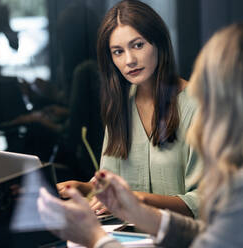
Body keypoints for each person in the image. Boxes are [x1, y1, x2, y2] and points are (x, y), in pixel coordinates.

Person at [38, 19, 243, 247]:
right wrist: (130, 206)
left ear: (230, 103)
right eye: (118, 51)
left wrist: (95, 239)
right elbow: (206, 236)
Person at [57, 0, 200, 217]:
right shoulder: (120, 105)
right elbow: (111, 184)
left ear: (159, 43)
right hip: (129, 237)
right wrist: (84, 189)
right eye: (118, 52)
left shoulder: (199, 106)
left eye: (138, 45)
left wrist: (135, 199)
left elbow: (206, 201)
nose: (129, 60)